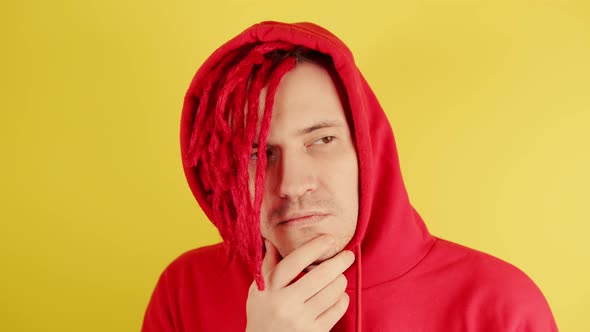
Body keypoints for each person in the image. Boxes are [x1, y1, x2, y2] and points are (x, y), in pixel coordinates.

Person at [142, 21, 557, 331]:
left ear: (367, 147)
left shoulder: (501, 306)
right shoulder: (184, 291)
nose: (290, 184)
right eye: (256, 153)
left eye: (321, 140)